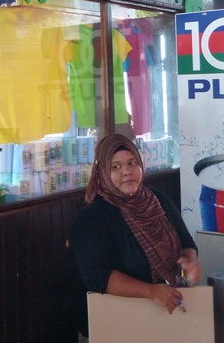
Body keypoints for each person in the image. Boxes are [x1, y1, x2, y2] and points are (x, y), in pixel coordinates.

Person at [70, 134, 201, 337]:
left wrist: (189, 262)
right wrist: (150, 291)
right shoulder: (93, 217)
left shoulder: (159, 200)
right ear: (102, 172)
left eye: (132, 163)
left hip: (165, 315)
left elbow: (186, 242)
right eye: (115, 167)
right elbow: (97, 277)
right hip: (115, 323)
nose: (127, 171)